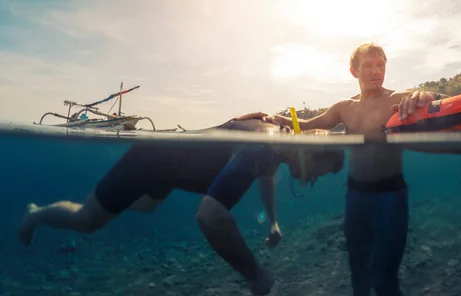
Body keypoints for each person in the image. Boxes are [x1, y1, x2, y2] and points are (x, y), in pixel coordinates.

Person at [18, 116, 345, 295]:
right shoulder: (264, 144)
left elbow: (267, 178)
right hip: (150, 161)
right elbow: (210, 216)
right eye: (320, 171)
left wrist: (272, 221)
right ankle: (37, 213)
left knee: (145, 207)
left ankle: (118, 201)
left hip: (169, 173)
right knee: (87, 220)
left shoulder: (279, 147)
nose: (313, 179)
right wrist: (255, 275)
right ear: (311, 151)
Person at [237, 43, 449, 296]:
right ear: (354, 71)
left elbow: (447, 104)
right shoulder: (344, 107)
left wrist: (428, 95)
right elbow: (304, 125)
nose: (375, 71)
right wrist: (273, 118)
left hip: (391, 196)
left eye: (380, 65)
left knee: (384, 274)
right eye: (368, 65)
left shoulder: (397, 99)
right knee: (357, 270)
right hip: (355, 196)